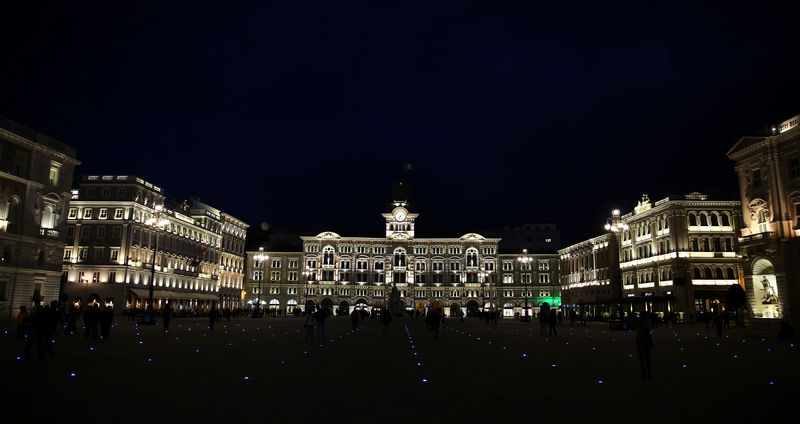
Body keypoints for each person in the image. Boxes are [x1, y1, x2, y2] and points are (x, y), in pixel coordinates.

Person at [636, 315, 654, 379]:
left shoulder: (640, 323)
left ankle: (645, 375)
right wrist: (651, 342)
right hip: (644, 342)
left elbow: (646, 333)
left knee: (642, 359)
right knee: (647, 359)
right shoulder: (647, 323)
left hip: (641, 342)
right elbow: (648, 333)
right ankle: (648, 374)